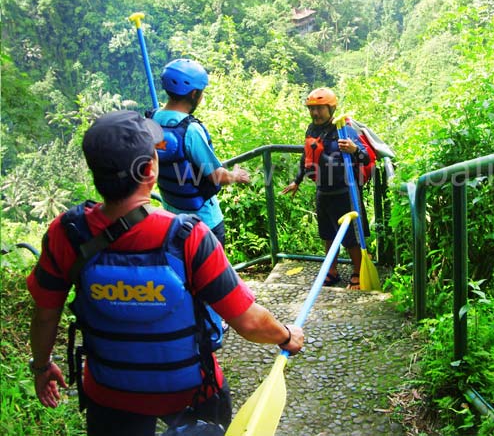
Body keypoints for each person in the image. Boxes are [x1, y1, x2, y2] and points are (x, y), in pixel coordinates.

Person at [27, 110, 304, 436]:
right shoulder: (188, 236)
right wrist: (287, 335)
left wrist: (42, 366)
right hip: (191, 393)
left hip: (110, 394)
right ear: (149, 170)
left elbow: (46, 315)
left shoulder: (67, 233)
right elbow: (250, 322)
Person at [149, 58, 250, 247]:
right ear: (194, 93)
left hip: (174, 219)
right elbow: (217, 176)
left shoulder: (152, 120)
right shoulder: (190, 130)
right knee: (213, 274)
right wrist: (236, 175)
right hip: (205, 222)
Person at [282, 87, 371, 290]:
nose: (315, 113)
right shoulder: (312, 129)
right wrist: (297, 180)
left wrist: (354, 149)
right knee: (327, 234)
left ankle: (358, 272)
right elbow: (306, 156)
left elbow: (365, 156)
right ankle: (331, 271)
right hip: (323, 190)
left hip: (345, 191)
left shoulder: (344, 129)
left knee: (350, 237)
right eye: (312, 109)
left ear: (330, 108)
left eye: (319, 109)